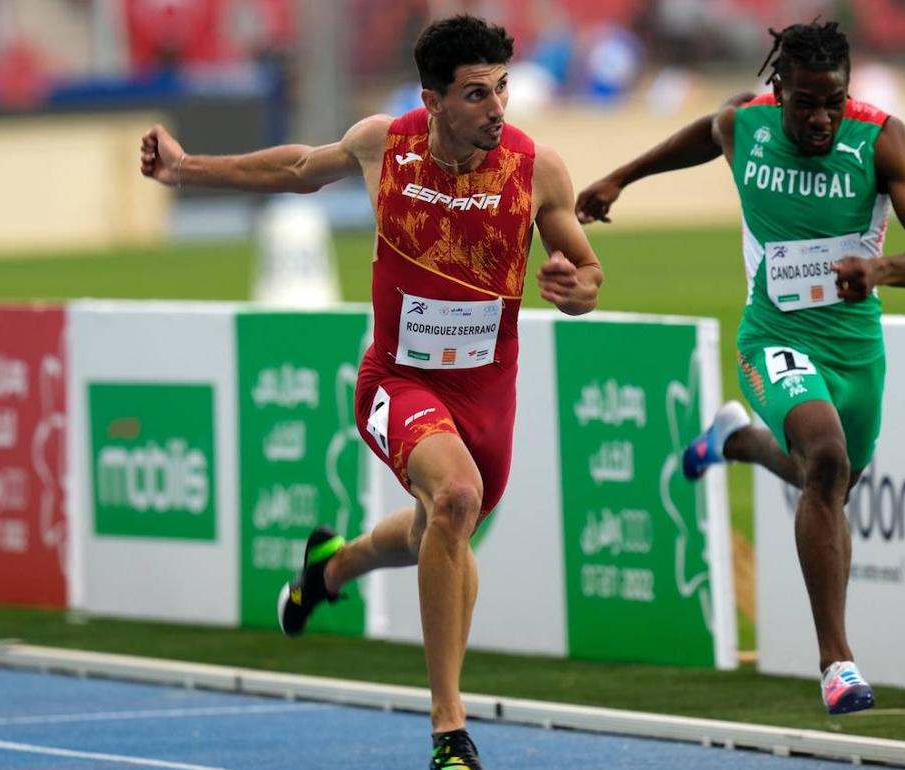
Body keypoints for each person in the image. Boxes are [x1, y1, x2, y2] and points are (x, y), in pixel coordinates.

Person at [140, 15, 603, 770]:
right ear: (434, 99)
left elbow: (585, 271)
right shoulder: (387, 143)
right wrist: (187, 169)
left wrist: (575, 288)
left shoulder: (536, 169)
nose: (498, 108)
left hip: (487, 395)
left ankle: (330, 566)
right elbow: (294, 170)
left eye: (504, 89)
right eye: (478, 93)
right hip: (398, 378)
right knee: (453, 499)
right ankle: (449, 729)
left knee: (437, 531)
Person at [575, 20, 905, 715]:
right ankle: (836, 663)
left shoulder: (882, 140)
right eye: (804, 101)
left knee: (833, 482)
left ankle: (740, 441)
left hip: (854, 347)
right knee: (826, 457)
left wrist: (881, 268)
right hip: (773, 336)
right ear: (776, 89)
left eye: (832, 102)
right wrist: (619, 178)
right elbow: (704, 132)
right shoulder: (743, 126)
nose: (819, 118)